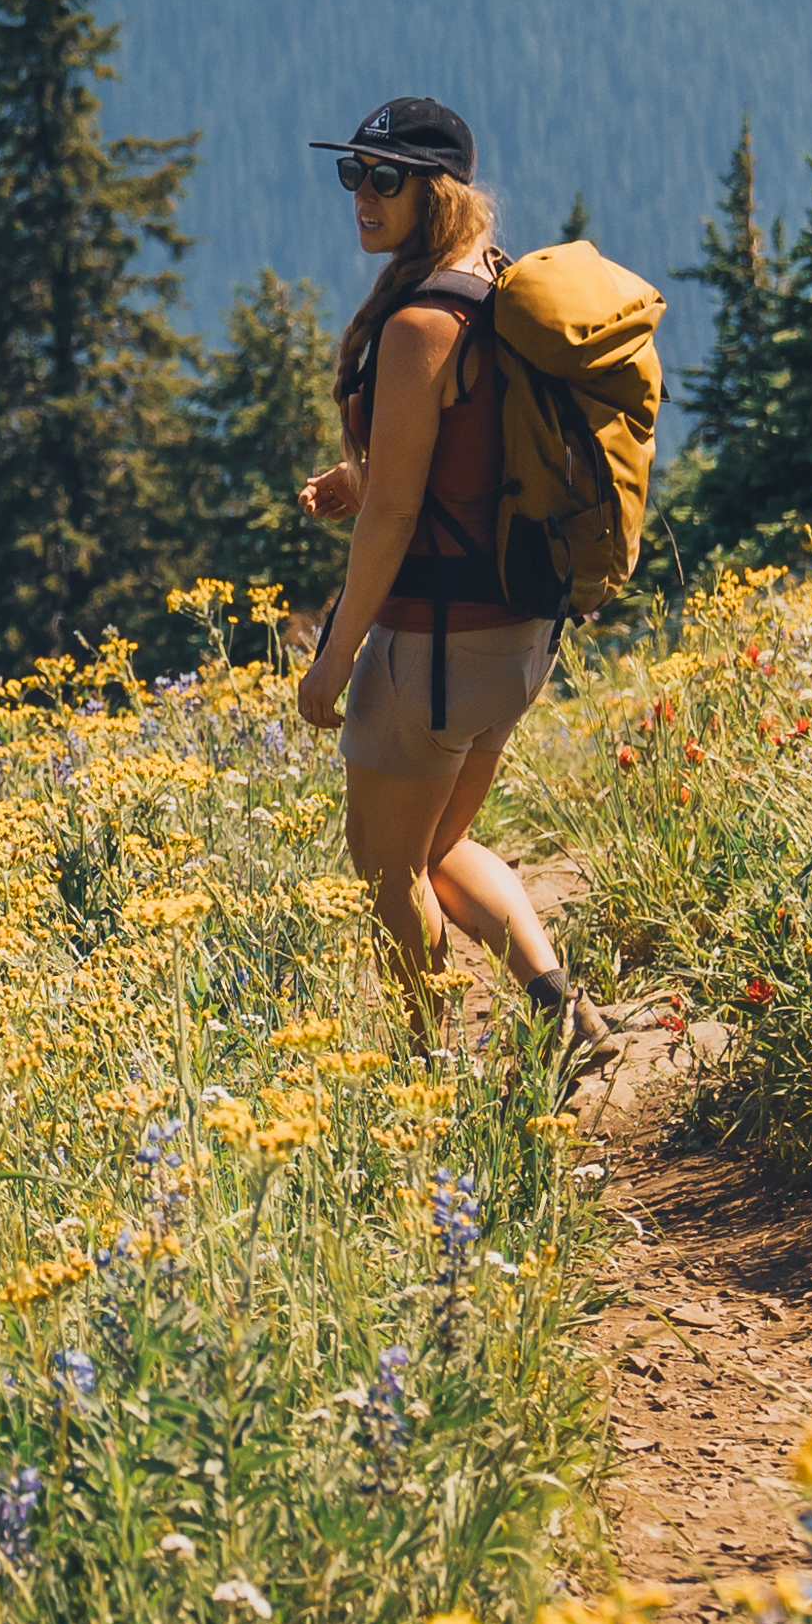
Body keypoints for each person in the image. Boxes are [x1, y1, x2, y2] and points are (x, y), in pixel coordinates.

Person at [290, 94, 589, 1064]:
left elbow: (396, 517)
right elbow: (467, 450)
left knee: (388, 875)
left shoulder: (421, 323)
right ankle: (562, 1012)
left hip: (434, 646)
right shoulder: (491, 284)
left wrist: (332, 661)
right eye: (353, 175)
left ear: (438, 193)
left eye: (385, 179)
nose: (362, 196)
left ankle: (433, 1080)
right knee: (437, 848)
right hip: (515, 636)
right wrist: (364, 472)